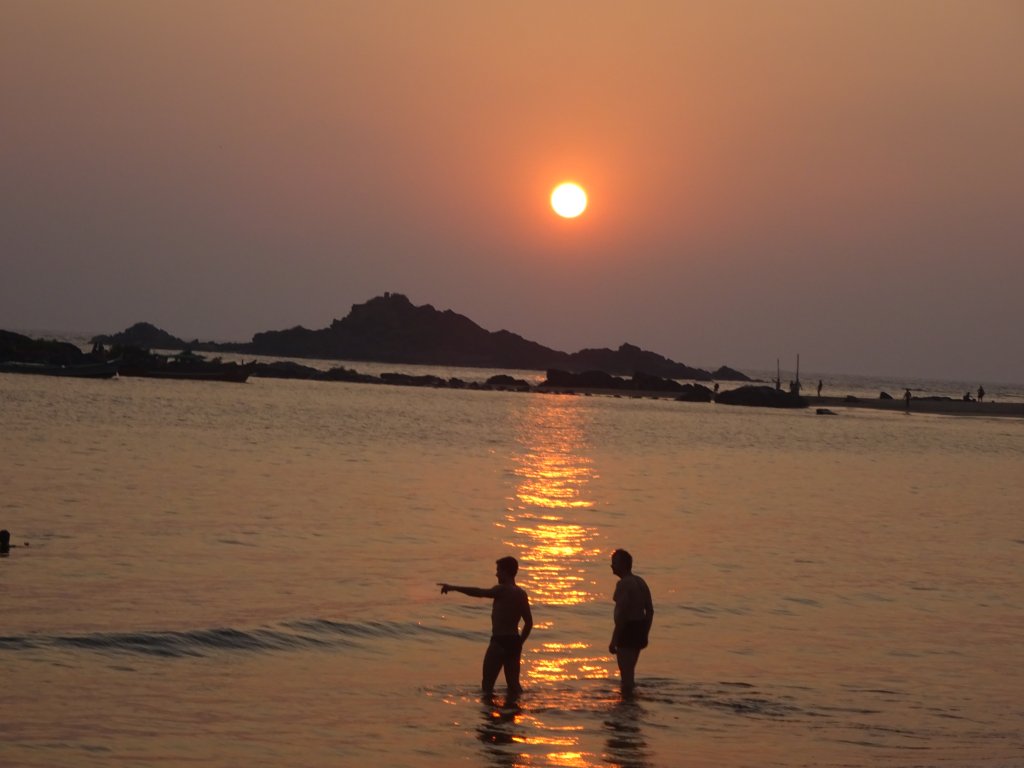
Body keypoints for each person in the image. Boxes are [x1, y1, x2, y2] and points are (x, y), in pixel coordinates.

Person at [439, 556, 533, 696]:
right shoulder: (522, 594)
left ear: (506, 572)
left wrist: (453, 588)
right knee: (514, 686)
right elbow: (529, 623)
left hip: (499, 642)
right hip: (514, 642)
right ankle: (513, 713)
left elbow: (479, 592)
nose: (496, 574)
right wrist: (520, 643)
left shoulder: (501, 589)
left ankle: (489, 716)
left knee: (487, 686)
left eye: (498, 571)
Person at [609, 549, 654, 696]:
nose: (611, 565)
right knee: (630, 672)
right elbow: (650, 611)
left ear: (623, 564)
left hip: (627, 630)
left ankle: (627, 703)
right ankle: (630, 704)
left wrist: (614, 639)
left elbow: (621, 614)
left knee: (626, 675)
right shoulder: (641, 581)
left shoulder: (624, 584)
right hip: (639, 628)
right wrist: (645, 632)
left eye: (615, 562)